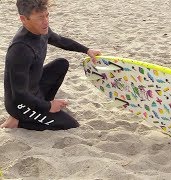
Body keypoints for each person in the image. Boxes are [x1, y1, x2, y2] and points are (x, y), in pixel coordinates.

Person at [0, 0, 101, 130]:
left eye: (47, 15)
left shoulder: (42, 31)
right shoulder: (20, 49)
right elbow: (19, 94)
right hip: (20, 104)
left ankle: (42, 107)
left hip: (34, 90)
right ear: (23, 19)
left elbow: (60, 40)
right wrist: (49, 106)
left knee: (61, 64)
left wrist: (87, 50)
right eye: (40, 18)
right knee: (70, 125)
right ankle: (17, 121)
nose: (46, 21)